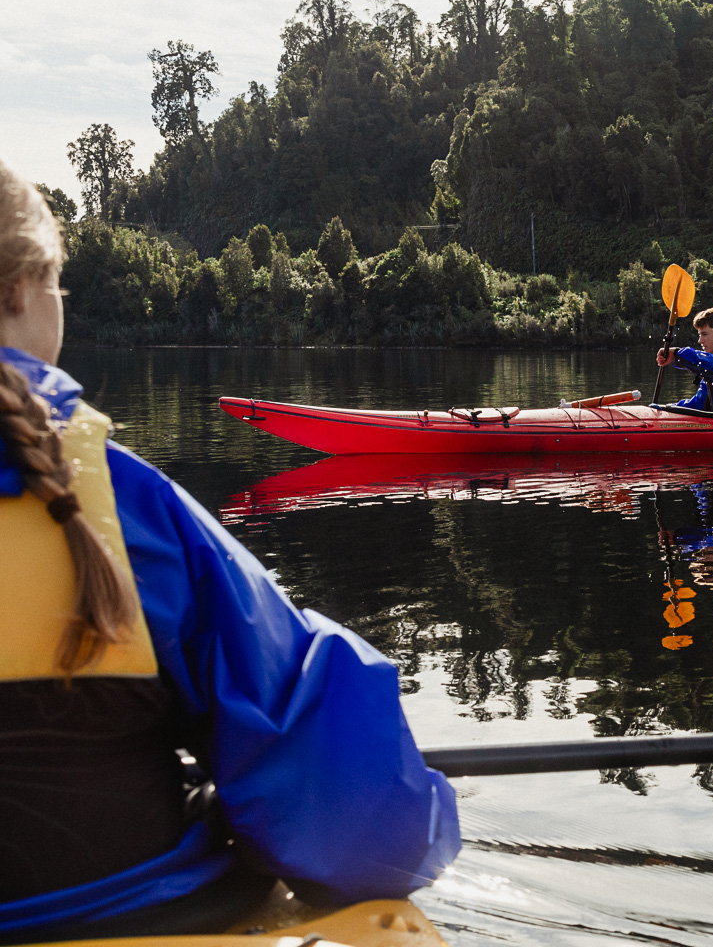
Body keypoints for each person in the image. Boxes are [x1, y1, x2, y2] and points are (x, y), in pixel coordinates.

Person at [0, 159, 460, 942]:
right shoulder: (125, 510)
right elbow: (358, 826)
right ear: (21, 291)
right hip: (143, 916)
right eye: (61, 289)